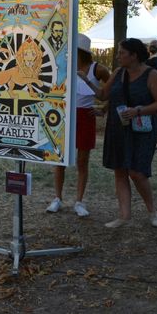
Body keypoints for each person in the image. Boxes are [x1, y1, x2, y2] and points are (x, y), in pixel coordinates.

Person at [79, 38, 157, 228]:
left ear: (134, 55)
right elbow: (103, 95)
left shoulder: (151, 75)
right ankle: (124, 216)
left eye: (121, 53)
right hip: (117, 126)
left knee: (137, 172)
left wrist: (138, 110)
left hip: (142, 128)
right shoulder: (118, 73)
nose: (118, 56)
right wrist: (86, 81)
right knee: (120, 169)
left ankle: (153, 210)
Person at [47, 34, 110, 217]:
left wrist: (104, 109)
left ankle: (79, 201)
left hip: (85, 115)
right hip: (64, 115)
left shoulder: (97, 69)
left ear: (81, 51)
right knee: (60, 159)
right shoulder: (63, 65)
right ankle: (57, 198)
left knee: (82, 161)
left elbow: (114, 87)